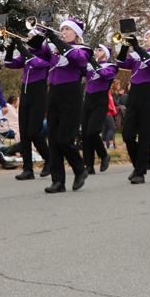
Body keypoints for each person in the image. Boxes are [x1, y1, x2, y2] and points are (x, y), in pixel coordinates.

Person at [40, 18, 91, 193]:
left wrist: (56, 40)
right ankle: (58, 181)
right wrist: (40, 35)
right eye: (62, 29)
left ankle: (79, 169)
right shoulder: (54, 50)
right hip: (53, 92)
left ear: (77, 33)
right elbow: (36, 52)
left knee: (64, 138)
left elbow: (79, 61)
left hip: (71, 93)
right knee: (53, 139)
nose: (64, 32)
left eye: (68, 29)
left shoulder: (83, 49)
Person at [117, 30, 150, 185]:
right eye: (145, 36)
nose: (146, 38)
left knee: (145, 135)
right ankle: (138, 166)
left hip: (148, 94)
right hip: (134, 94)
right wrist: (126, 46)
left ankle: (140, 172)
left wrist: (137, 47)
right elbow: (120, 63)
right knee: (127, 135)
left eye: (149, 37)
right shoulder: (135, 56)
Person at [3, 32, 51, 180]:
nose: (27, 37)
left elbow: (36, 63)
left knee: (34, 132)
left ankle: (49, 160)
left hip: (39, 93)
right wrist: (11, 48)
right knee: (24, 133)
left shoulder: (45, 51)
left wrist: (20, 46)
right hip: (25, 93)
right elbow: (9, 63)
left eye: (31, 35)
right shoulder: (27, 52)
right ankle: (28, 169)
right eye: (27, 35)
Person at [82, 44, 117, 174]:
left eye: (100, 49)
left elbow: (104, 75)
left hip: (100, 101)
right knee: (85, 134)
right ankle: (89, 165)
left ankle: (103, 155)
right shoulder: (90, 66)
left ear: (106, 53)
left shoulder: (111, 66)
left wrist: (91, 61)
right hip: (88, 100)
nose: (97, 51)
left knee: (93, 131)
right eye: (96, 49)